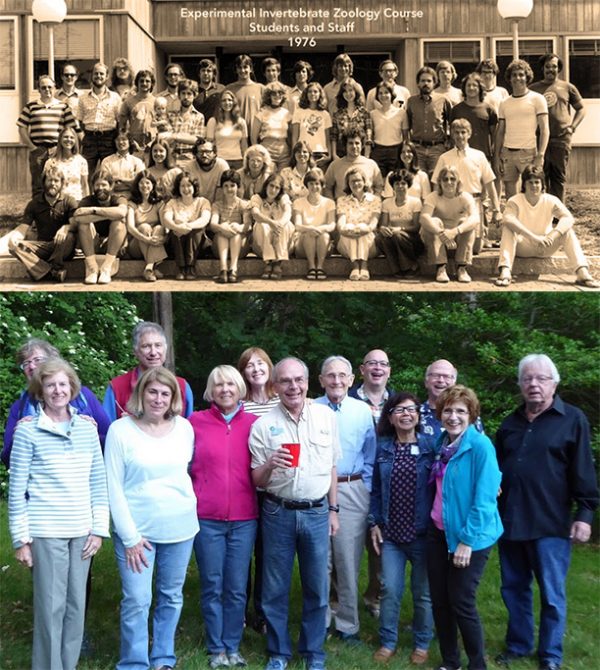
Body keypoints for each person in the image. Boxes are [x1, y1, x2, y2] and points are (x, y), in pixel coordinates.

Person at [494, 354, 599, 670]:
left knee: (552, 595)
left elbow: (583, 470)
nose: (533, 384)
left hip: (550, 523)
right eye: (527, 379)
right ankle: (519, 645)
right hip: (510, 521)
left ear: (554, 383)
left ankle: (550, 654)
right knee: (514, 589)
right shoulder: (510, 423)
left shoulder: (572, 419)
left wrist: (585, 514)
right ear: (520, 384)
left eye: (541, 378)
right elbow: (496, 471)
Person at [8, 358, 109, 670]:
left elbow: (98, 481)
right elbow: (17, 489)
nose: (57, 390)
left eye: (63, 384)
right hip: (46, 531)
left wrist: (98, 529)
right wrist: (20, 540)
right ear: (40, 391)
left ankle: (69, 664)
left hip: (82, 532)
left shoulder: (87, 429)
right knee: (51, 607)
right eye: (50, 385)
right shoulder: (28, 432)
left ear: (72, 388)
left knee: (76, 606)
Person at [249, 357, 341, 670]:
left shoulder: (325, 417)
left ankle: (313, 652)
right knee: (274, 588)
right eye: (285, 381)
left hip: (316, 512)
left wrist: (333, 509)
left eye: (298, 380)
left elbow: (332, 467)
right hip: (278, 511)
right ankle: (278, 652)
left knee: (317, 586)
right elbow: (256, 480)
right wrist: (270, 464)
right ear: (275, 386)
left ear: (307, 383)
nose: (293, 386)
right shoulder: (262, 426)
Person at [104, 367, 198, 670]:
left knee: (171, 596)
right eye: (152, 391)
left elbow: (185, 474)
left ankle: (162, 658)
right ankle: (133, 662)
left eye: (165, 393)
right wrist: (129, 537)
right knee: (136, 599)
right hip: (136, 531)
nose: (158, 399)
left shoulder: (184, 428)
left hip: (180, 527)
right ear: (141, 394)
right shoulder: (121, 430)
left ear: (173, 398)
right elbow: (113, 486)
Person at [427, 385, 503, 670]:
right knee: (440, 601)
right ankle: (450, 662)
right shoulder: (441, 444)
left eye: (461, 411)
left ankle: (477, 664)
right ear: (440, 414)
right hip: (438, 532)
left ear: (472, 415)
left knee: (461, 600)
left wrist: (466, 541)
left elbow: (485, 500)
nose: (453, 416)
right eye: (448, 410)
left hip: (471, 537)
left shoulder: (480, 446)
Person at [189, 366, 259, 669]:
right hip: (206, 518)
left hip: (244, 518)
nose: (225, 389)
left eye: (231, 383)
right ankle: (216, 648)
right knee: (212, 583)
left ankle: (233, 646)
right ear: (210, 390)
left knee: (236, 587)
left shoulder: (256, 424)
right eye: (218, 385)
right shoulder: (194, 423)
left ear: (240, 387)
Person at [370, 392, 435, 666]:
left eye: (411, 409)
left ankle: (422, 643)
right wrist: (373, 522)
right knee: (390, 590)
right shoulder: (383, 448)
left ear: (418, 415)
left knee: (423, 594)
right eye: (399, 410)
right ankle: (388, 641)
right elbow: (375, 490)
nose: (406, 414)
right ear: (390, 417)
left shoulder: (432, 447)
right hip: (392, 535)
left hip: (423, 534)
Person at [315, 356, 376, 645]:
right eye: (331, 375)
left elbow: (371, 453)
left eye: (342, 376)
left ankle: (348, 624)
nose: (337, 381)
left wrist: (365, 486)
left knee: (347, 560)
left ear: (352, 380)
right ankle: (321, 619)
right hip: (317, 489)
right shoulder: (311, 408)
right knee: (320, 559)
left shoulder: (363, 411)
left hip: (352, 488)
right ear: (321, 380)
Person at [2, 338, 109, 467]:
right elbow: (7, 459)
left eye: (37, 360)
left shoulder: (84, 397)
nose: (31, 366)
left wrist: (91, 434)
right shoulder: (19, 407)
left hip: (80, 478)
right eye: (26, 363)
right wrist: (18, 438)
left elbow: (110, 442)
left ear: (53, 361)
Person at [495, 165, 599, 288]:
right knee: (508, 228)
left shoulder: (551, 200)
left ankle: (582, 272)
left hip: (545, 245)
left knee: (567, 231)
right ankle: (505, 270)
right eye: (530, 182)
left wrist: (553, 235)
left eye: (537, 182)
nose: (534, 186)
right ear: (524, 184)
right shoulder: (515, 201)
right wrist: (533, 237)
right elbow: (508, 219)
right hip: (523, 246)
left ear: (542, 184)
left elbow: (568, 218)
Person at [237, 347, 280, 635]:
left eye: (260, 363)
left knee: (268, 553)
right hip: (245, 487)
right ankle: (239, 612)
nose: (256, 369)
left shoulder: (282, 401)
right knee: (243, 553)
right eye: (249, 366)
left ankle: (264, 613)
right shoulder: (238, 404)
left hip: (276, 490)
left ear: (269, 367)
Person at [349, 349, 394, 619]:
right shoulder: (348, 398)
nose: (378, 368)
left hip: (388, 485)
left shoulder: (398, 402)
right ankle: (338, 599)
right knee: (346, 545)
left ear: (389, 370)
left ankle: (374, 595)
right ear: (361, 369)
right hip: (355, 483)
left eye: (383, 364)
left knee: (382, 548)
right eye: (372, 363)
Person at [431, 119, 501, 253]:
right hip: (451, 203)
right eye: (456, 132)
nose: (460, 136)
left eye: (463, 132)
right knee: (451, 245)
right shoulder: (444, 157)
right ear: (451, 134)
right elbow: (437, 184)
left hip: (474, 204)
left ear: (469, 134)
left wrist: (497, 210)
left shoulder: (479, 156)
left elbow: (490, 183)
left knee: (475, 249)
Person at [103, 321, 194, 422]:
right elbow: (106, 429)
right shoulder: (117, 387)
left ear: (166, 349)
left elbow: (189, 429)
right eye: (146, 346)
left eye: (158, 345)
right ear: (135, 351)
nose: (153, 352)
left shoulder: (182, 387)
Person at [530, 53, 586, 201]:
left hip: (560, 139)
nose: (551, 69)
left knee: (558, 176)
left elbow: (581, 109)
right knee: (539, 175)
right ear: (542, 68)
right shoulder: (533, 89)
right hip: (539, 139)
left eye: (554, 66)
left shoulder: (567, 87)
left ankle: (557, 212)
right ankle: (542, 211)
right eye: (547, 66)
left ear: (558, 68)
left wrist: (572, 127)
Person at [8, 167, 78, 283]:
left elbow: (75, 224)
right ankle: (52, 271)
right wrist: (15, 236)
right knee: (14, 247)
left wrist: (66, 228)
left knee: (70, 236)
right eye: (49, 180)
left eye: (56, 181)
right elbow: (24, 227)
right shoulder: (34, 203)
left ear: (61, 183)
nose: (53, 184)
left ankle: (43, 268)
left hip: (63, 246)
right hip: (42, 246)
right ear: (44, 182)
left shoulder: (69, 201)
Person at [494, 59, 549, 199]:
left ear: (527, 77)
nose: (517, 78)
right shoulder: (504, 103)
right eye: (514, 75)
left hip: (529, 153)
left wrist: (540, 155)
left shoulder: (537, 99)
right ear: (509, 78)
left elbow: (544, 129)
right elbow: (500, 131)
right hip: (507, 154)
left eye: (521, 74)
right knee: (511, 197)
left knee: (532, 192)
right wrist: (497, 156)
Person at [17, 74, 77, 196]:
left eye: (49, 87)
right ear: (39, 89)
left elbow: (70, 129)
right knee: (38, 184)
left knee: (58, 181)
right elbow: (22, 127)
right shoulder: (31, 106)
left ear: (54, 88)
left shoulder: (63, 107)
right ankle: (38, 213)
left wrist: (65, 148)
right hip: (38, 150)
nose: (47, 90)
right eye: (43, 87)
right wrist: (32, 147)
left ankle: (57, 212)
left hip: (57, 150)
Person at [419, 165, 479, 283]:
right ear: (440, 182)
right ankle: (440, 267)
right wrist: (441, 233)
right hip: (438, 241)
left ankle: (462, 267)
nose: (449, 182)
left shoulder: (465, 197)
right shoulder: (433, 197)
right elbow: (423, 217)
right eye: (445, 179)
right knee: (434, 221)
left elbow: (475, 218)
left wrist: (455, 231)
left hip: (457, 241)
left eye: (453, 179)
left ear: (458, 182)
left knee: (466, 222)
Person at [72, 169, 128, 285]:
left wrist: (94, 211)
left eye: (104, 185)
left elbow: (122, 213)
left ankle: (106, 269)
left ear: (111, 186)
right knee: (83, 225)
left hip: (112, 244)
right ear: (93, 187)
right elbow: (78, 218)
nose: (100, 188)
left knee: (119, 223)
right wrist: (110, 215)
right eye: (97, 185)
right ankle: (92, 268)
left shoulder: (118, 199)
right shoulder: (87, 200)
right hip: (92, 243)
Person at [161, 170, 211, 280]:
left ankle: (190, 266)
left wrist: (188, 226)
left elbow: (205, 219)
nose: (186, 189)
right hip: (176, 242)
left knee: (195, 230)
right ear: (178, 188)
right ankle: (181, 268)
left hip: (198, 243)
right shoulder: (172, 203)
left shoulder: (203, 202)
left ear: (194, 186)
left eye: (189, 185)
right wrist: (177, 227)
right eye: (182, 186)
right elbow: (166, 219)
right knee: (175, 230)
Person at [418, 359, 485, 440]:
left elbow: (479, 446)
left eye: (447, 377)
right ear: (426, 382)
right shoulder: (414, 415)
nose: (441, 380)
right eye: (435, 375)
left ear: (454, 383)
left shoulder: (469, 416)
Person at [403, 67, 451, 176]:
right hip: (417, 149)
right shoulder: (411, 102)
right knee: (418, 179)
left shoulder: (443, 100)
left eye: (429, 81)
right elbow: (408, 124)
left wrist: (449, 141)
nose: (426, 83)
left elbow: (451, 122)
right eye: (423, 81)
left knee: (436, 180)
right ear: (418, 84)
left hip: (437, 148)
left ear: (434, 83)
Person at [336, 166, 382, 281]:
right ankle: (355, 267)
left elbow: (373, 225)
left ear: (364, 182)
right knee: (350, 226)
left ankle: (364, 266)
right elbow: (340, 225)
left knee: (362, 227)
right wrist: (348, 230)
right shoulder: (342, 200)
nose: (356, 184)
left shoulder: (375, 200)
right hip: (346, 245)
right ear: (348, 184)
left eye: (358, 180)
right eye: (352, 181)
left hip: (370, 245)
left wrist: (361, 230)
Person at [79, 62, 122, 178]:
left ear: (106, 76)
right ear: (92, 76)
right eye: (96, 73)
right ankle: (88, 196)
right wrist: (83, 137)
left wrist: (117, 139)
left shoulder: (115, 97)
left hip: (109, 139)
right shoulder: (83, 98)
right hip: (89, 139)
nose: (98, 76)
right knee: (86, 174)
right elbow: (78, 121)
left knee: (108, 174)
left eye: (101, 74)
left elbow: (120, 122)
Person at [378, 168, 424, 277]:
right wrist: (383, 229)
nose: (400, 186)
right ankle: (396, 269)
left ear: (408, 185)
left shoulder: (415, 202)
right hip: (394, 237)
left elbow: (417, 227)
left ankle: (413, 266)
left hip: (413, 241)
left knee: (398, 235)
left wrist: (400, 229)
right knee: (380, 238)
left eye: (403, 183)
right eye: (397, 184)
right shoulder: (386, 202)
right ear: (392, 186)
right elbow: (383, 225)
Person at [293, 168, 336, 280]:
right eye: (311, 184)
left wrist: (320, 229)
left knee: (325, 235)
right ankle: (312, 266)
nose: (314, 187)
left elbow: (332, 225)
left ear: (322, 186)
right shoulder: (298, 202)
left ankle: (320, 267)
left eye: (317, 184)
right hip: (303, 245)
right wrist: (310, 228)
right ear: (306, 185)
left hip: (323, 244)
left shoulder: (329, 203)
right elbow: (297, 225)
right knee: (309, 234)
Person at [209, 169, 251, 284]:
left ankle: (233, 269)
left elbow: (248, 225)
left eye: (232, 185)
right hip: (220, 248)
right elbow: (213, 224)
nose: (229, 189)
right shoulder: (217, 205)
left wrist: (240, 227)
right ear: (222, 188)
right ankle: (223, 269)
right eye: (226, 186)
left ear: (238, 187)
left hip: (240, 247)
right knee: (222, 233)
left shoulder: (244, 204)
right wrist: (222, 227)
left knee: (236, 235)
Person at [125, 170, 168, 282]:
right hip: (137, 244)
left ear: (153, 185)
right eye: (141, 183)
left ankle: (149, 268)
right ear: (137, 185)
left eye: (148, 183)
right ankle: (153, 265)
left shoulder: (159, 202)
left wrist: (165, 238)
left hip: (155, 240)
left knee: (159, 228)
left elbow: (165, 225)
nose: (145, 186)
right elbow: (130, 227)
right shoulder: (132, 203)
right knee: (144, 227)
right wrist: (146, 239)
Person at [250, 173, 294, 280]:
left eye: (277, 187)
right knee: (261, 224)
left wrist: (278, 225)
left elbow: (288, 212)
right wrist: (271, 223)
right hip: (261, 246)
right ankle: (269, 261)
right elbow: (255, 214)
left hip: (282, 243)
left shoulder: (283, 198)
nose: (273, 190)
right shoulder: (257, 198)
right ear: (266, 186)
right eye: (271, 186)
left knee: (286, 224)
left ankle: (277, 262)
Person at [450, 73, 498, 162]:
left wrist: (494, 155)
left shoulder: (489, 109)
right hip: (460, 156)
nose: (471, 88)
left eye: (474, 85)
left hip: (483, 157)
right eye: (468, 85)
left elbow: (495, 135)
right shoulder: (456, 110)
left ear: (480, 88)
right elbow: (452, 134)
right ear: (464, 88)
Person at [324, 130, 384, 201]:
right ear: (345, 145)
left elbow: (379, 187)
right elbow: (327, 187)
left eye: (357, 143)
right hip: (342, 209)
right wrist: (332, 205)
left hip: (367, 209)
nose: (354, 146)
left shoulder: (371, 164)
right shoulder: (335, 165)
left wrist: (374, 202)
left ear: (362, 145)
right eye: (350, 143)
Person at [162, 79, 206, 167]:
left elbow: (196, 140)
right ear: (179, 95)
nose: (186, 97)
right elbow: (166, 137)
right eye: (183, 93)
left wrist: (175, 136)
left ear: (195, 95)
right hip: (172, 156)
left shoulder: (199, 116)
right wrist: (185, 137)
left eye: (189, 94)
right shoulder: (170, 115)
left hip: (190, 158)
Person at [291, 82, 333, 170]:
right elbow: (295, 137)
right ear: (306, 94)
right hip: (303, 153)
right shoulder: (299, 112)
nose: (312, 94)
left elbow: (328, 138)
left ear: (320, 94)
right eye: (310, 92)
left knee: (318, 182)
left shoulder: (325, 114)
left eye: (315, 92)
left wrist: (329, 156)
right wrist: (294, 153)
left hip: (320, 154)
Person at [252, 82, 292, 169]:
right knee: (268, 178)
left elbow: (290, 136)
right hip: (267, 150)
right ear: (269, 96)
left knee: (283, 179)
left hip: (284, 152)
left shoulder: (286, 113)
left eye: (280, 93)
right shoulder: (261, 112)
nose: (277, 95)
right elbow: (253, 137)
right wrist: (258, 153)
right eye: (274, 93)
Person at [369, 83, 406, 178]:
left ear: (391, 94)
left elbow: (406, 136)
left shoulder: (401, 112)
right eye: (380, 93)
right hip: (378, 151)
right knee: (379, 180)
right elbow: (370, 135)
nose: (383, 95)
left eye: (386, 92)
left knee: (394, 180)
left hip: (396, 151)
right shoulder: (373, 114)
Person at [43, 127, 89, 201]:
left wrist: (86, 203)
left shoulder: (81, 161)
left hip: (77, 201)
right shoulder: (50, 162)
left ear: (75, 141)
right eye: (65, 137)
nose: (69, 140)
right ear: (60, 140)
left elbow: (84, 185)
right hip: (58, 202)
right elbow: (46, 186)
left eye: (72, 137)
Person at [331, 78, 372, 160]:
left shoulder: (364, 113)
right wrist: (334, 154)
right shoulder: (337, 114)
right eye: (345, 91)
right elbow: (334, 136)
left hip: (360, 154)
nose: (348, 93)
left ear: (356, 92)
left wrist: (366, 156)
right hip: (341, 154)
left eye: (350, 90)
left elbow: (368, 136)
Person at [206, 90, 248, 170]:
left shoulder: (241, 122)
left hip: (238, 161)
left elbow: (244, 145)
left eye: (230, 100)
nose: (227, 103)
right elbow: (209, 144)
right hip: (220, 160)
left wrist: (245, 161)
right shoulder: (213, 121)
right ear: (219, 103)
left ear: (234, 102)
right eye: (224, 100)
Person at [118, 69, 156, 156]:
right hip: (134, 145)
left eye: (147, 81)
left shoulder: (156, 101)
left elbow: (161, 126)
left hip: (152, 145)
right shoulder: (128, 102)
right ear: (137, 83)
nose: (144, 83)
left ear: (152, 84)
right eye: (141, 81)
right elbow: (122, 126)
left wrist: (153, 143)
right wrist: (130, 141)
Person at [98, 131, 145, 200]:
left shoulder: (137, 162)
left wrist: (121, 180)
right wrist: (129, 182)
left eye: (124, 139)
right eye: (118, 140)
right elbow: (105, 182)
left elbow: (140, 182)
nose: (120, 142)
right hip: (112, 198)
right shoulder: (107, 161)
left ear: (129, 142)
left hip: (132, 197)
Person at [180, 138, 230, 202]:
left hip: (217, 205)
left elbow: (221, 193)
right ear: (195, 154)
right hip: (196, 204)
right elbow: (189, 193)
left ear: (214, 153)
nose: (204, 155)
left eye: (208, 152)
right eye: (201, 152)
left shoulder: (222, 165)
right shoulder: (189, 167)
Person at [226, 55, 265, 130]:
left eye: (245, 67)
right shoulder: (229, 89)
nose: (242, 70)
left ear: (251, 69)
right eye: (240, 67)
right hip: (236, 133)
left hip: (256, 134)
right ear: (236, 70)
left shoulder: (261, 88)